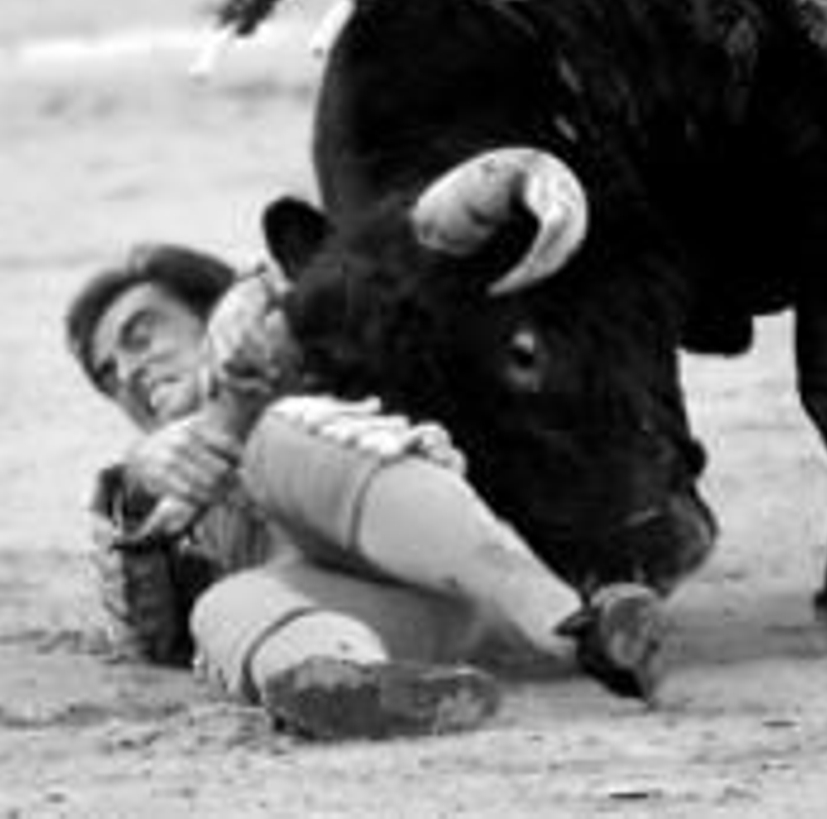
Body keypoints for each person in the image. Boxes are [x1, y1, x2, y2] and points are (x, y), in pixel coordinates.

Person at [65, 242, 667, 741]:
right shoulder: (143, 489)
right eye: (109, 375)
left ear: (212, 314)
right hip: (411, 621)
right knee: (219, 607)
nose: (130, 372)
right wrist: (143, 476)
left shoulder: (310, 335)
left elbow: (370, 279)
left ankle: (575, 624)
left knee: (276, 439)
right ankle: (360, 691)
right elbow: (148, 639)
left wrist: (262, 310)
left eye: (141, 337)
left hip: (466, 565)